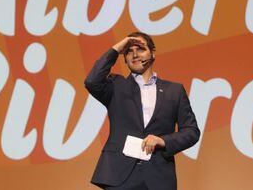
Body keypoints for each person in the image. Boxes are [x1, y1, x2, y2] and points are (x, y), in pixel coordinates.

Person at [84, 32, 200, 189]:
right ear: (124, 58)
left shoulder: (174, 90)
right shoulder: (116, 86)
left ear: (153, 53)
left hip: (158, 177)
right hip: (119, 176)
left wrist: (163, 141)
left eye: (140, 49)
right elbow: (92, 81)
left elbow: (191, 131)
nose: (135, 54)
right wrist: (117, 49)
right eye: (129, 51)